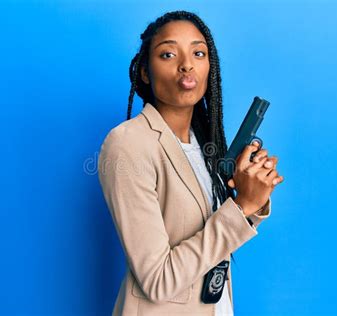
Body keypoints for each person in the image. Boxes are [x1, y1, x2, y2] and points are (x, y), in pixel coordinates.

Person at [98, 10, 284, 315]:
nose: (186, 64)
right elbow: (157, 280)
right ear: (145, 72)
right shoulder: (129, 143)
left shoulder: (204, 146)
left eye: (198, 52)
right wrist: (241, 208)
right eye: (168, 54)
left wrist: (253, 197)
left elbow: (214, 242)